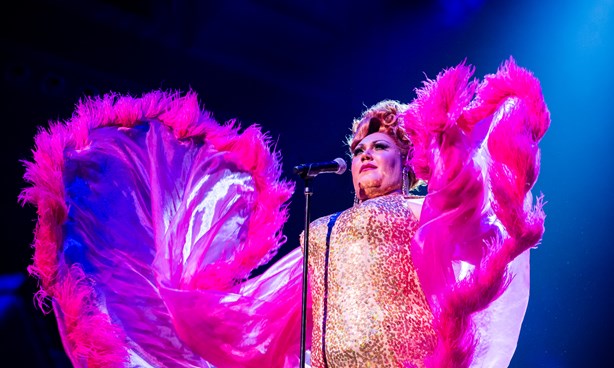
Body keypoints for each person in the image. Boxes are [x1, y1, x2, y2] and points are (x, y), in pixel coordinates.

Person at [19, 57, 549, 368]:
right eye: (361, 146)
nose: (366, 153)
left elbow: (465, 238)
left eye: (381, 145)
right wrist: (179, 301)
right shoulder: (322, 229)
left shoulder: (419, 212)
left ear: (406, 160)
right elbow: (269, 306)